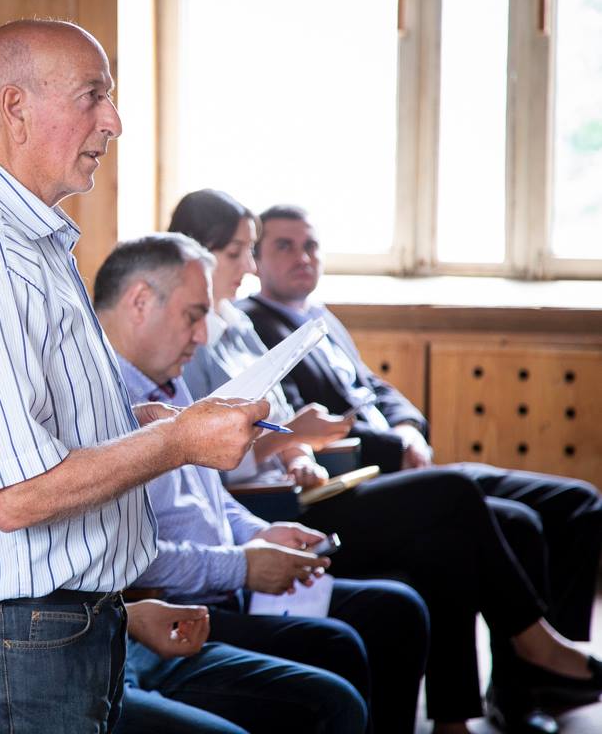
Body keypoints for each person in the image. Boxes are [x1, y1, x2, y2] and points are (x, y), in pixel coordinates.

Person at [0, 19, 270, 732]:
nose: (113, 121)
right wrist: (176, 443)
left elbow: (34, 427)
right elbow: (17, 494)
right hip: (11, 641)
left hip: (46, 628)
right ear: (16, 109)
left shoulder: (21, 235)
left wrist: (139, 427)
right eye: (92, 95)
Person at [170, 188, 602, 734]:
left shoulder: (237, 323)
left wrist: (299, 451)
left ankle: (457, 718)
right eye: (238, 253)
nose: (249, 266)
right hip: (275, 507)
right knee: (453, 496)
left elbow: (286, 415)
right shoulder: (194, 341)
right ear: (196, 253)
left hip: (308, 484)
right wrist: (294, 440)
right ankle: (534, 644)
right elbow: (211, 454)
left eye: (249, 251)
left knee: (458, 538)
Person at [0, 276, 366, 734]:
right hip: (34, 660)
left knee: (335, 681)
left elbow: (67, 554)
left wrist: (130, 615)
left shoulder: (9, 423)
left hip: (106, 630)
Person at [94, 231, 429, 733]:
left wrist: (260, 534)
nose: (202, 336)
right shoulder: (102, 400)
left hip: (225, 580)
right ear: (140, 302)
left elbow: (213, 498)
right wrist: (244, 566)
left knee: (398, 609)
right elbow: (128, 560)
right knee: (336, 667)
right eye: (193, 316)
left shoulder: (169, 380)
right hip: (176, 608)